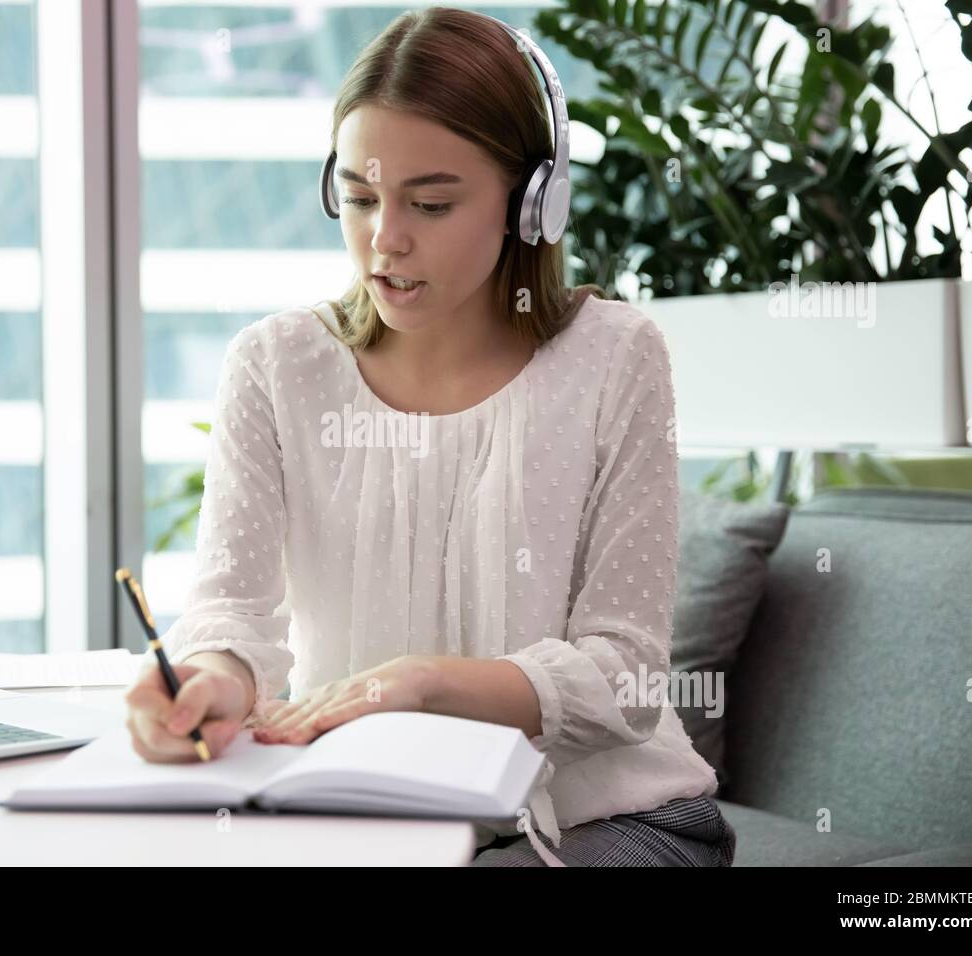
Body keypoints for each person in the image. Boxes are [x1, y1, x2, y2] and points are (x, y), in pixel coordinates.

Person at [124, 5, 735, 867]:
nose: (386, 240)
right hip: (379, 814)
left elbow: (627, 677)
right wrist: (210, 683)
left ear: (532, 203)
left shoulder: (616, 358)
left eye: (432, 203)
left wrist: (423, 684)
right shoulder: (274, 366)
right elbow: (232, 608)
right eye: (360, 198)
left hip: (608, 818)